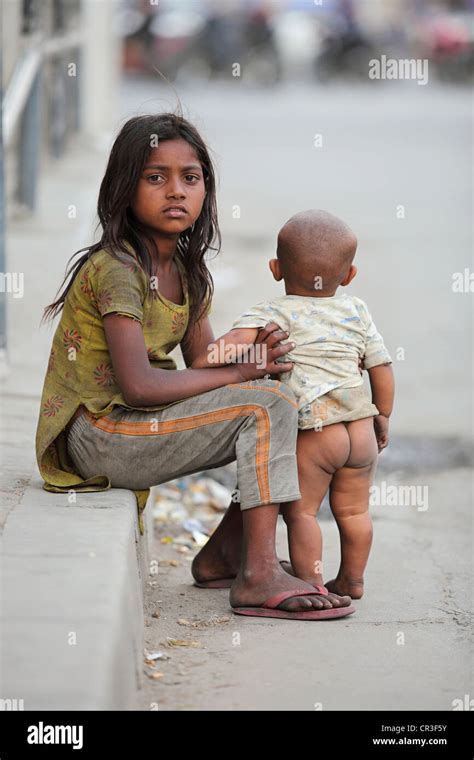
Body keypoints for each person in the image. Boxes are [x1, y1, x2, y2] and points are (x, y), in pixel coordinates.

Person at [35, 115, 354, 621]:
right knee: (264, 406)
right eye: (155, 177)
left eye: (191, 177)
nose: (176, 191)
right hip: (97, 436)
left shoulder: (186, 268)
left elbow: (203, 362)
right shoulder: (118, 269)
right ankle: (257, 575)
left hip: (133, 428)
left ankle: (229, 552)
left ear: (206, 188)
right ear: (123, 188)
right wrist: (240, 376)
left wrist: (258, 351)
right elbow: (140, 386)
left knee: (276, 389)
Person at [192, 209, 395, 600]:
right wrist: (382, 415)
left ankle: (312, 584)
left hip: (317, 430)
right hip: (360, 426)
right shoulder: (357, 310)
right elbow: (382, 369)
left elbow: (213, 356)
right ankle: (352, 580)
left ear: (275, 268)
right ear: (349, 275)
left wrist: (213, 358)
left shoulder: (273, 312)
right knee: (354, 512)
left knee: (301, 512)